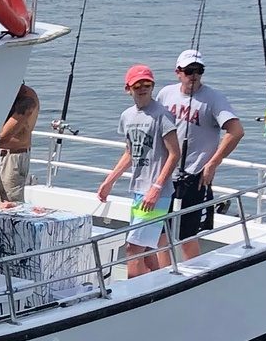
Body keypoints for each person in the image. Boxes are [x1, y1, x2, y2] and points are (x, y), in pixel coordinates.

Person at [157, 48, 242, 251]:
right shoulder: (165, 94)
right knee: (160, 231)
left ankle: (192, 274)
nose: (194, 75)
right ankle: (163, 273)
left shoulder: (213, 98)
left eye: (199, 70)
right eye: (189, 71)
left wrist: (213, 162)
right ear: (178, 72)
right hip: (166, 173)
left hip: (195, 176)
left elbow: (236, 131)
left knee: (188, 235)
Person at [98, 65, 178, 274]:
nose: (143, 89)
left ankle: (131, 294)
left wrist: (157, 187)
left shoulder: (162, 115)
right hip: (138, 191)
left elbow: (174, 154)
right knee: (148, 251)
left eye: (147, 84)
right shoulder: (127, 116)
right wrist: (110, 181)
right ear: (128, 89)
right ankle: (160, 287)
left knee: (132, 248)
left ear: (153, 86)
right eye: (137, 85)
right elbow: (129, 152)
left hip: (157, 195)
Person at [0, 84, 40, 203]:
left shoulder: (27, 100)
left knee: (11, 202)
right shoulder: (2, 95)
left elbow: (5, 136)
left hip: (12, 157)